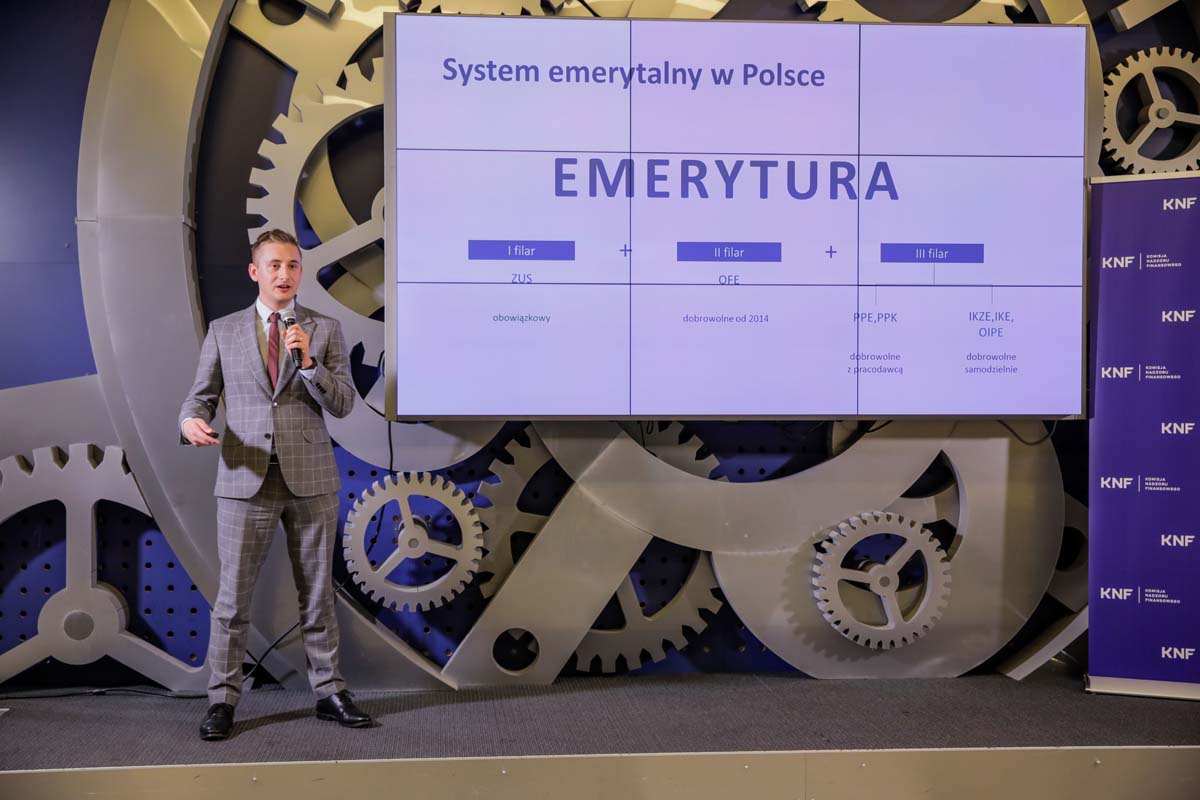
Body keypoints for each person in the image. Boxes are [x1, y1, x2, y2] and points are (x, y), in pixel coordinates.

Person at [179, 228, 371, 740]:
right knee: (231, 600)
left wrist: (308, 363)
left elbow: (343, 403)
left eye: (292, 265)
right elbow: (200, 397)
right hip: (245, 477)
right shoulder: (223, 331)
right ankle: (222, 700)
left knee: (318, 594)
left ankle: (329, 692)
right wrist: (190, 421)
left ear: (300, 271)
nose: (284, 274)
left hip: (311, 478)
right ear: (255, 272)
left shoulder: (324, 329)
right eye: (274, 265)